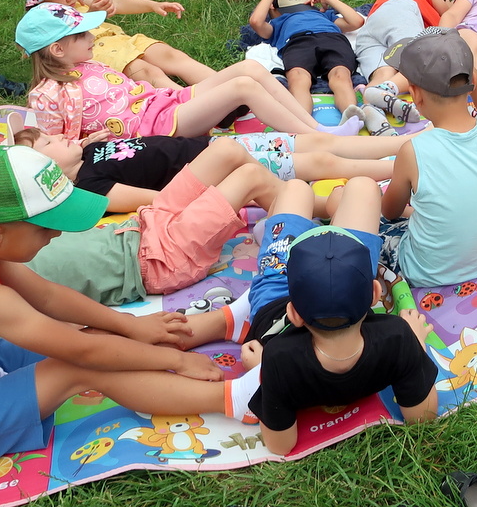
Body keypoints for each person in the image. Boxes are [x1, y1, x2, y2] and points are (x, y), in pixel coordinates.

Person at [0, 145, 245, 467]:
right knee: (78, 366)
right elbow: (83, 353)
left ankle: (224, 323)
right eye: (45, 227)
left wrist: (129, 325)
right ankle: (241, 399)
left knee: (101, 333)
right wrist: (175, 361)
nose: (57, 232)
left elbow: (47, 296)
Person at [181, 176, 439, 455]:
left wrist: (263, 373)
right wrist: (417, 346)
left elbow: (280, 445)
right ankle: (330, 211)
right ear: (375, 294)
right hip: (321, 283)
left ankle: (315, 217)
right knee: (363, 186)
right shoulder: (398, 338)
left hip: (274, 296)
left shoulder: (278, 360)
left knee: (296, 188)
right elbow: (421, 417)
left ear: (294, 313)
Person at [18, 3, 358, 140]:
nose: (92, 37)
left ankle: (308, 123)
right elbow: (50, 145)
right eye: (82, 35)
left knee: (250, 67)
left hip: (165, 103)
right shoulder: (47, 94)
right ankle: (315, 137)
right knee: (243, 86)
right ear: (57, 49)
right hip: (156, 128)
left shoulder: (86, 63)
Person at [16, 134, 283, 304]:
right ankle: (298, 224)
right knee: (250, 177)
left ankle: (292, 206)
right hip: (161, 259)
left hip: (144, 223)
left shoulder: (11, 243)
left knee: (226, 148)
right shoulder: (5, 287)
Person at [380, 29, 477, 288]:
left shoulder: (413, 151)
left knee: (370, 212)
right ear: (471, 82)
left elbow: (390, 211)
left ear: (415, 94)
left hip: (426, 272)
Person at [16, 125, 407, 212]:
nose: (58, 137)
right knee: (322, 163)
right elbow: (161, 200)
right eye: (49, 144)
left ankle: (409, 143)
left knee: (319, 142)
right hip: (225, 166)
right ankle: (403, 166)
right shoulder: (91, 184)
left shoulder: (92, 151)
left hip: (222, 145)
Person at [20, 0, 215, 89]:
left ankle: (223, 83)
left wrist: (152, 5)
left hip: (126, 41)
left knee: (172, 56)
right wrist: (90, 14)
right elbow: (38, 52)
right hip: (101, 53)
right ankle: (191, 104)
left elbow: (120, 3)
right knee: (147, 72)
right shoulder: (42, 22)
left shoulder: (78, 4)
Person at [249, 0, 376, 127]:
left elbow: (357, 21)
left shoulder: (324, 15)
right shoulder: (277, 23)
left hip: (332, 38)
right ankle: (302, 123)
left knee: (341, 75)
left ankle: (352, 118)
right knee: (298, 78)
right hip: (298, 42)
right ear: (272, 8)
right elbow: (256, 21)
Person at [356, 0, 452, 123]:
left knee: (383, 72)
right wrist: (449, 5)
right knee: (421, 62)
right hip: (400, 12)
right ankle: (387, 90)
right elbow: (446, 13)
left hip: (370, 27)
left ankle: (374, 118)